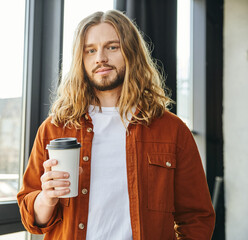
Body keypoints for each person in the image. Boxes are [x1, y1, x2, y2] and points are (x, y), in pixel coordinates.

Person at [17, 10, 215, 240]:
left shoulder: (172, 130)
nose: (100, 57)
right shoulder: (55, 128)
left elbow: (197, 218)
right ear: (81, 60)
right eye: (90, 50)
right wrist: (46, 198)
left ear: (131, 53)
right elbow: (30, 218)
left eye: (112, 47)